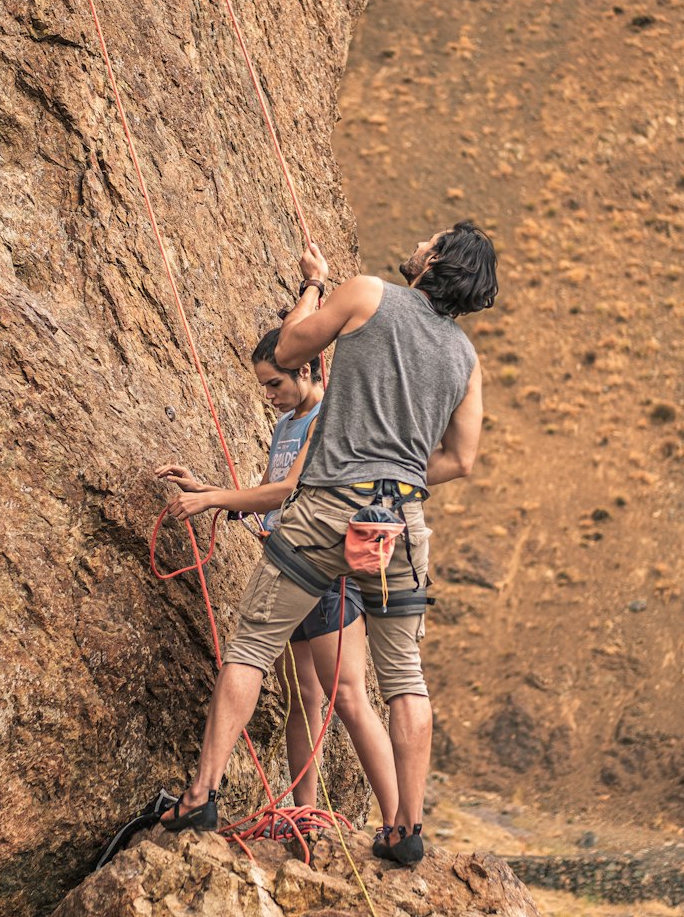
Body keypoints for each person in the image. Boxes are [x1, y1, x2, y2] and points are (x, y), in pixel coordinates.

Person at [162, 220, 496, 867]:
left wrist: (313, 285)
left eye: (431, 239)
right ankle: (406, 828)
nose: (420, 241)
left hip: (327, 509)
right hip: (400, 522)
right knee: (402, 677)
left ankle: (202, 794)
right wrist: (395, 472)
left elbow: (289, 348)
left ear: (436, 260)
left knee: (255, 643)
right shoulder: (465, 359)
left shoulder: (367, 293)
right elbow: (460, 460)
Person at [157, 328, 398, 836]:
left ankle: (400, 821)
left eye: (274, 384)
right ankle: (300, 816)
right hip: (291, 565)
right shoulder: (288, 424)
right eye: (264, 386)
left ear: (305, 370)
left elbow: (289, 489)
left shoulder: (327, 415)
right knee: (305, 695)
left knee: (349, 697)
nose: (269, 396)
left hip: (325, 573)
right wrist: (209, 489)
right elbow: (275, 495)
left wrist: (214, 500)